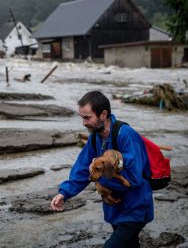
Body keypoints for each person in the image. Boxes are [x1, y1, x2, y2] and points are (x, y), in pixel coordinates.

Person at [51, 91, 154, 248]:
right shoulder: (95, 138)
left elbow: (134, 179)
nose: (83, 123)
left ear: (103, 114)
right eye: (82, 118)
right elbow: (83, 168)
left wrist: (100, 178)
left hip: (135, 209)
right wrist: (64, 193)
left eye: (87, 117)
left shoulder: (126, 135)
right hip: (114, 209)